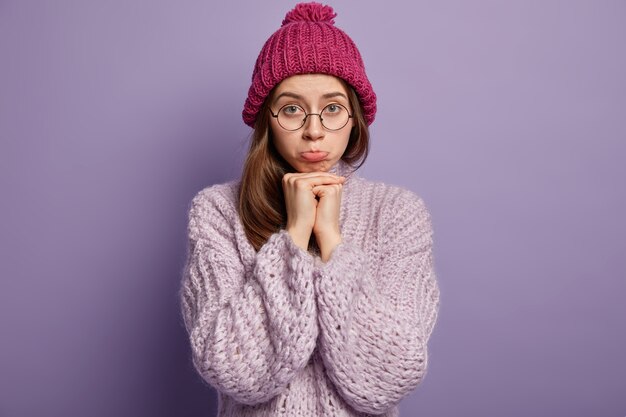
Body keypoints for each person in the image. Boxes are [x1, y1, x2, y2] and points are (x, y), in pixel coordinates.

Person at [180, 3, 440, 416]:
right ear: (267, 118)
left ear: (354, 119)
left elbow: (391, 375)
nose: (314, 129)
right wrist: (295, 237)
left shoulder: (397, 213)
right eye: (292, 109)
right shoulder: (217, 212)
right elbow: (233, 369)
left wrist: (333, 242)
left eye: (333, 108)